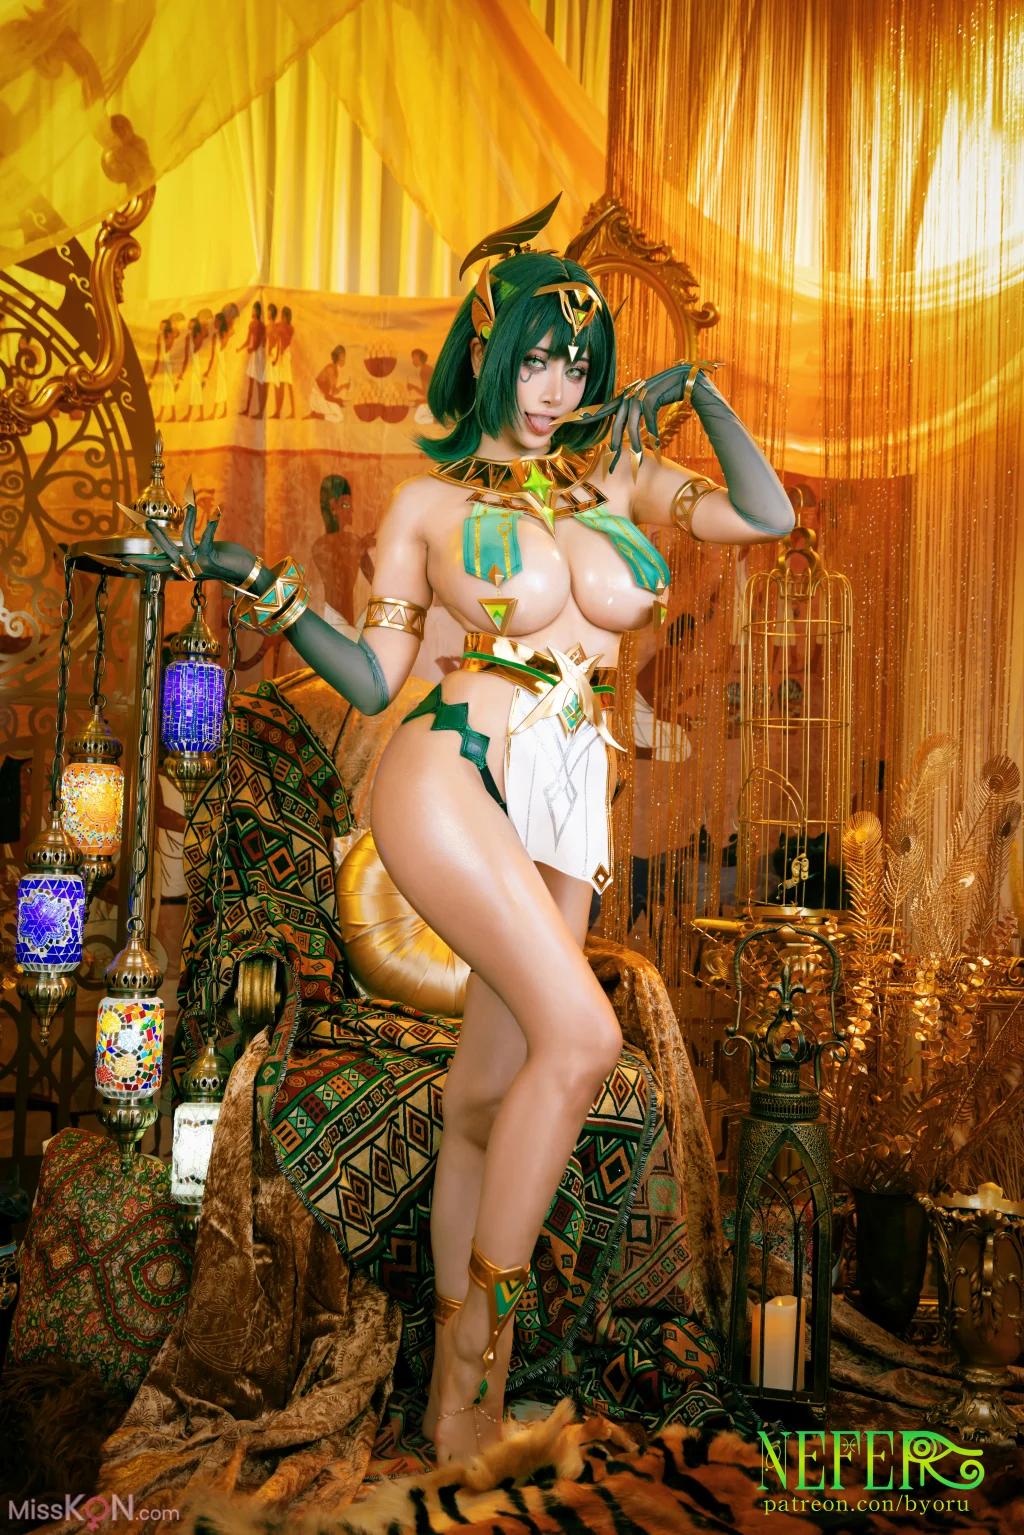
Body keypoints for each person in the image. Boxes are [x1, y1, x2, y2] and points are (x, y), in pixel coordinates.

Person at [145, 206, 795, 1465]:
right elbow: (373, 674)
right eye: (537, 360)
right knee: (584, 1036)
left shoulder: (621, 479)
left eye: (578, 366)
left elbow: (761, 514)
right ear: (490, 359)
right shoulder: (428, 506)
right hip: (448, 774)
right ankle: (469, 1369)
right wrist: (256, 580)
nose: (556, 388)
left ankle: (461, 1408)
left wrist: (703, 399)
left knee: (482, 1097)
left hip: (567, 800)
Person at [238, 300, 267, 418]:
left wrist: (252, 349)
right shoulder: (252, 324)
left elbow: (260, 342)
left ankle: (260, 412)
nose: (252, 312)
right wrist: (240, 348)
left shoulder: (260, 325)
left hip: (258, 355)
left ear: (257, 311)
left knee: (259, 384)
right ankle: (247, 409)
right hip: (255, 354)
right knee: (251, 383)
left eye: (254, 310)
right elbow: (248, 340)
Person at [305, 344, 349, 420]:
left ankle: (316, 414)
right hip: (317, 399)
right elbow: (327, 396)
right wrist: (341, 402)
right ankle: (316, 415)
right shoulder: (331, 369)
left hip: (322, 398)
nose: (344, 359)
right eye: (343, 356)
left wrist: (343, 386)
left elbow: (333, 392)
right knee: (339, 416)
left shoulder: (335, 370)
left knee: (339, 413)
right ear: (338, 356)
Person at [271, 305, 295, 418]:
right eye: (281, 316)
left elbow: (284, 337)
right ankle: (278, 412)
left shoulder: (289, 328)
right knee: (281, 384)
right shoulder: (283, 326)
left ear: (286, 316)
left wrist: (278, 327)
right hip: (282, 356)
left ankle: (292, 412)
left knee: (288, 383)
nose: (281, 318)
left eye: (283, 316)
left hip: (285, 356)